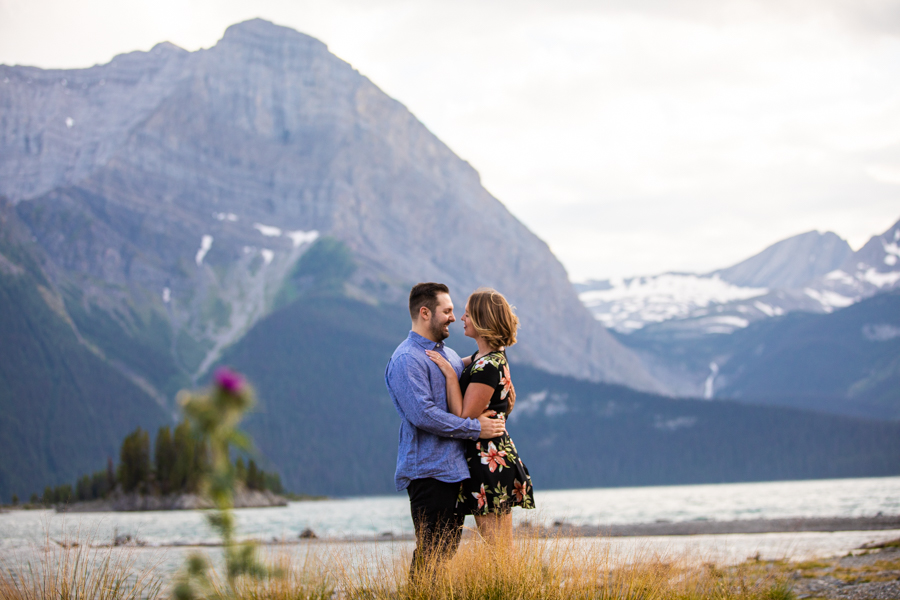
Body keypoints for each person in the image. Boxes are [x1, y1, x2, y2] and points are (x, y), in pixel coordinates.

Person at [385, 282, 507, 578]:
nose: (453, 317)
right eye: (448, 311)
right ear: (425, 313)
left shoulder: (448, 355)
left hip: (454, 472)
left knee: (445, 551)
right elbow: (425, 416)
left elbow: (477, 366)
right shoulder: (406, 360)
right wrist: (475, 428)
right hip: (427, 471)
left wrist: (503, 375)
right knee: (431, 551)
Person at [426, 287, 535, 544]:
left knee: (497, 548)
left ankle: (504, 585)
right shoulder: (484, 357)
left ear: (483, 320)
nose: (461, 319)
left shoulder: (488, 365)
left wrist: (451, 377)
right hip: (492, 455)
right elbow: (456, 364)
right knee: (500, 547)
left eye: (467, 314)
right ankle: (508, 584)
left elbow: (464, 414)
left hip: (488, 461)